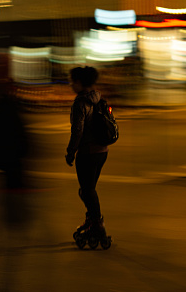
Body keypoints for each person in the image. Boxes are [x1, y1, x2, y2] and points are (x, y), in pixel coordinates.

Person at [65, 66, 109, 245]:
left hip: (88, 153)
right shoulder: (99, 99)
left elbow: (77, 130)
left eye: (72, 81)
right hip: (102, 152)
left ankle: (98, 225)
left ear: (79, 82)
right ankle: (92, 221)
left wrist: (70, 152)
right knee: (88, 190)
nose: (70, 85)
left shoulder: (80, 102)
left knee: (87, 190)